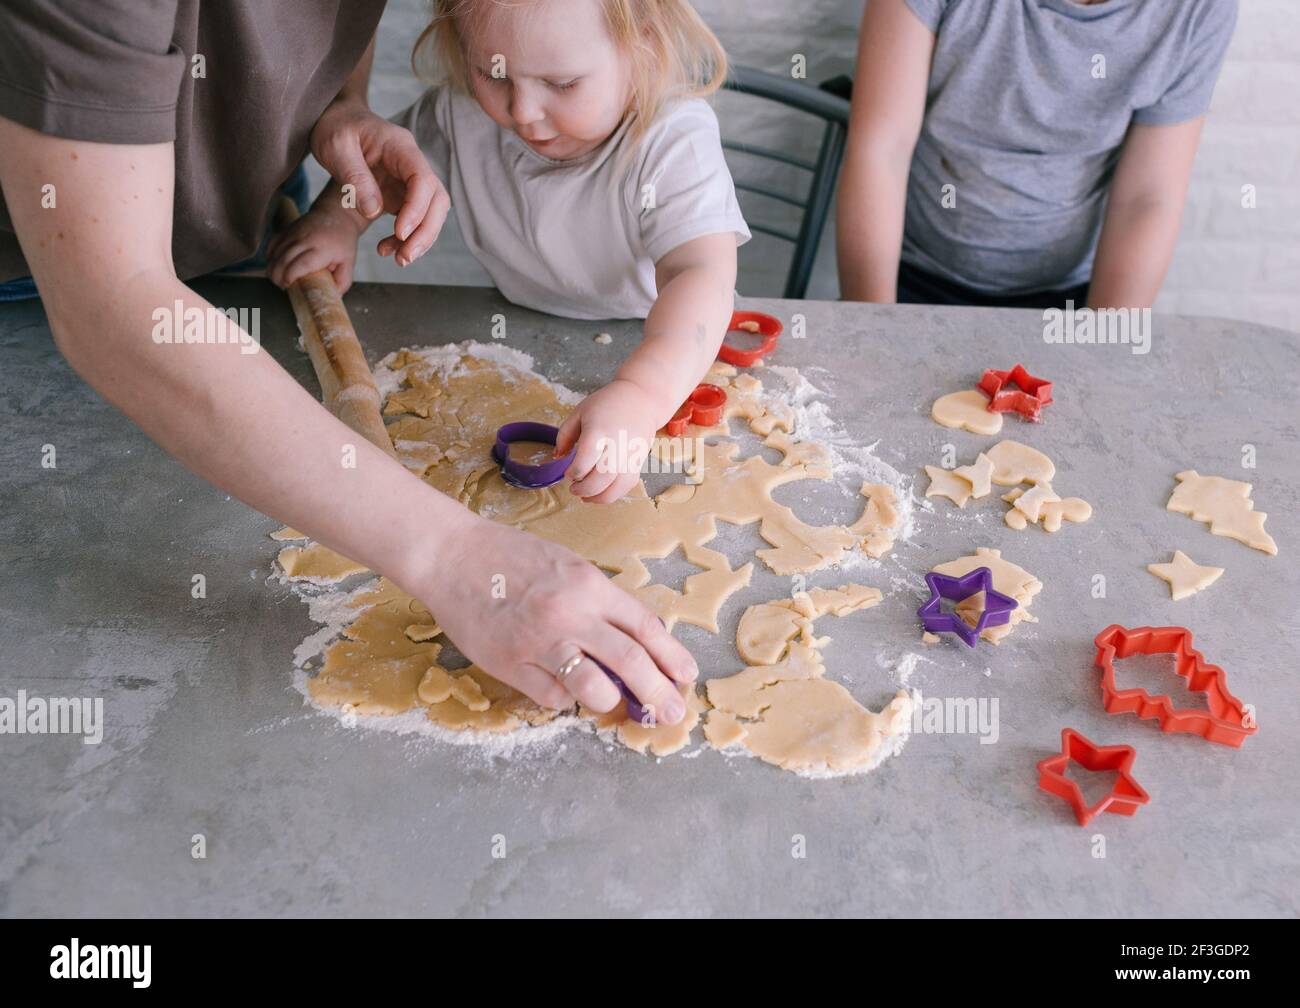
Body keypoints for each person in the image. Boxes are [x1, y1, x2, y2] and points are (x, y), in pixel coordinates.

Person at [0, 1, 697, 724]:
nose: (525, 111)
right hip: (36, 271)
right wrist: (453, 556)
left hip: (242, 218)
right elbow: (107, 302)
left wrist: (343, 104)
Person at [268, 0, 750, 505]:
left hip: (657, 343)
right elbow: (385, 168)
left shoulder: (672, 140)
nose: (521, 111)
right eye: (492, 73)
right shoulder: (460, 113)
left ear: (644, 43)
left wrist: (644, 394)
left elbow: (700, 273)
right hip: (512, 324)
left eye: (562, 84)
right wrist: (338, 219)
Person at [836, 0, 1238, 310]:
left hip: (1070, 302)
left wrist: (1106, 348)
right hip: (910, 280)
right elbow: (881, 151)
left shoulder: (1198, 9)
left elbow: (1148, 197)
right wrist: (876, 325)